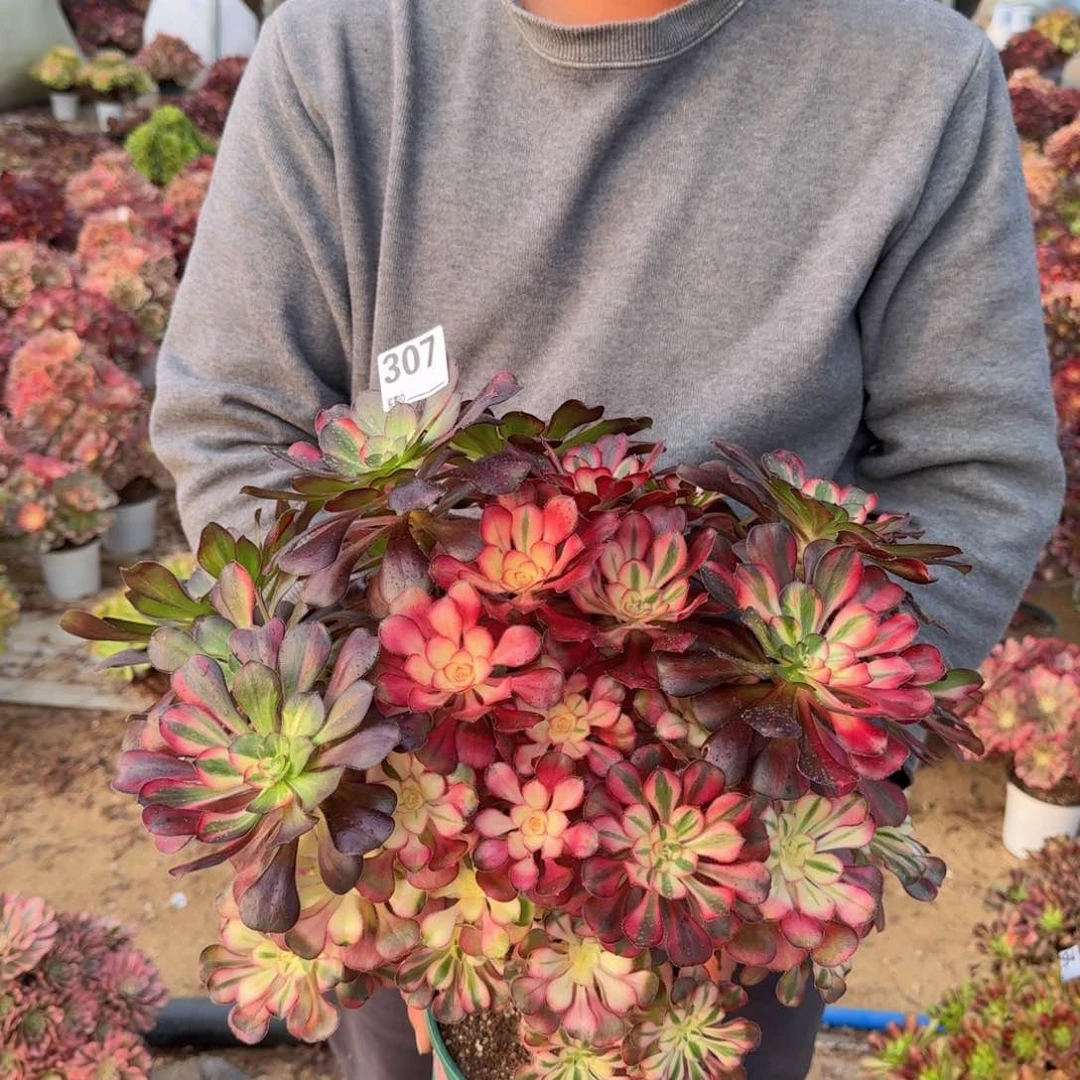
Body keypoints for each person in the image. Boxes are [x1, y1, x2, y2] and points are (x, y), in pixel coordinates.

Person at [151, 0, 1065, 1075]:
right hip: (416, 844)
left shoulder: (916, 74)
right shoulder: (341, 46)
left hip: (729, 875)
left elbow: (977, 472)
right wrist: (406, 791)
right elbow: (230, 420)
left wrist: (812, 752)